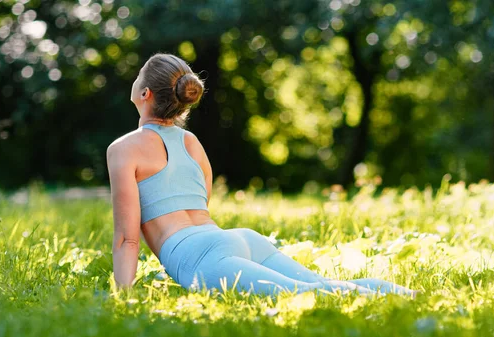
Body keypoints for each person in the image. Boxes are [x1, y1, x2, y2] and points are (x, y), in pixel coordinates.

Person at [106, 53, 417, 297]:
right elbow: (199, 208)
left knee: (312, 294)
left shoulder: (123, 149)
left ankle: (406, 300)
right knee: (324, 284)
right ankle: (411, 296)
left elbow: (127, 238)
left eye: (137, 76)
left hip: (201, 256)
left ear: (145, 93)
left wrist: (123, 295)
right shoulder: (191, 143)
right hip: (236, 239)